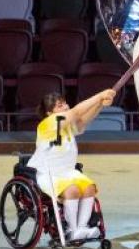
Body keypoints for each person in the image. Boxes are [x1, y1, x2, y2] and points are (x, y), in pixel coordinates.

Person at [27, 89, 117, 241]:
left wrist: (100, 105)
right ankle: (71, 229)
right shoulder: (47, 124)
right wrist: (100, 96)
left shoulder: (66, 125)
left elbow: (82, 121)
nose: (66, 107)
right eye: (60, 106)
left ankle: (81, 228)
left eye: (65, 103)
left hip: (68, 172)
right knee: (73, 190)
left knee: (90, 188)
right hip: (49, 174)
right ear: (50, 113)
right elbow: (76, 113)